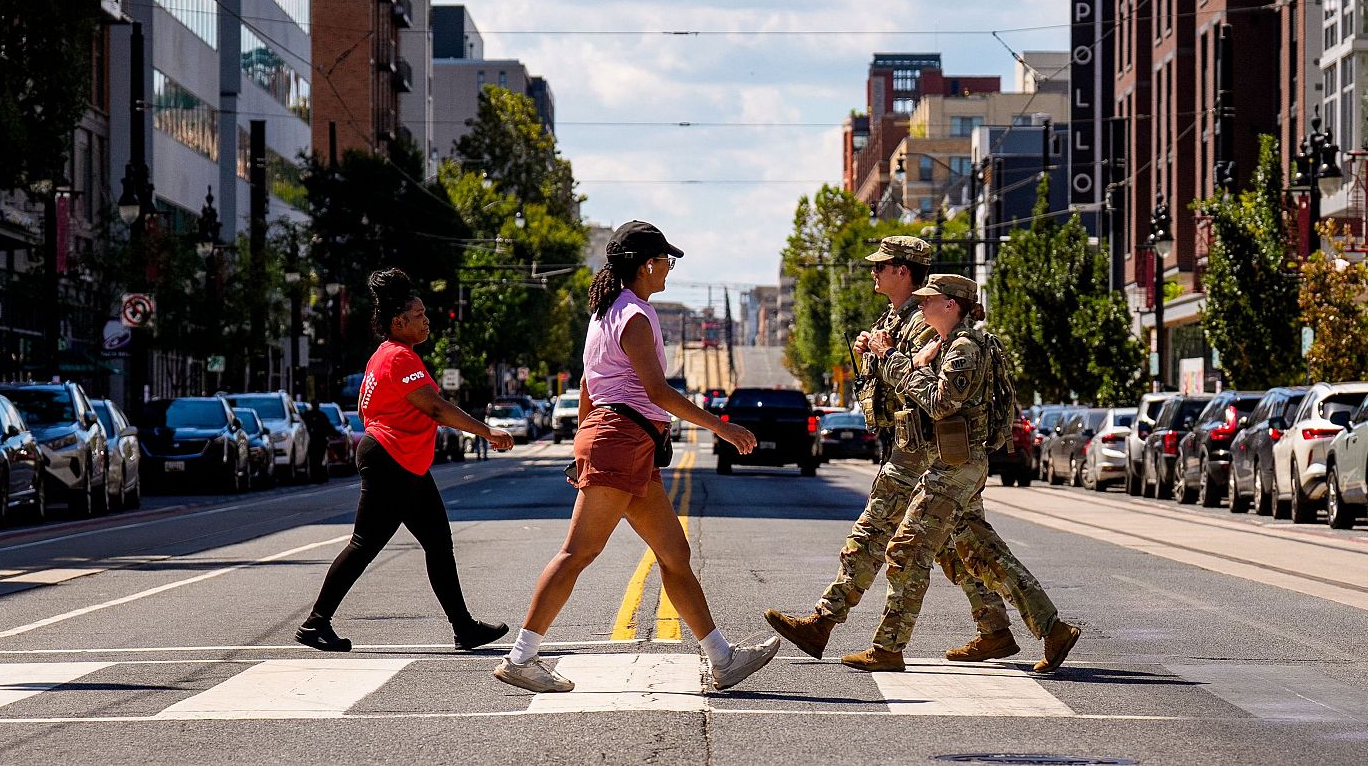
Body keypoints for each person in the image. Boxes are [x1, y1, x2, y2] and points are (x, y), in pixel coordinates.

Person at [494, 221, 780, 694]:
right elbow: (656, 390)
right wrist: (721, 427)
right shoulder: (635, 315)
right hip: (622, 441)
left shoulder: (606, 314)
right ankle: (521, 658)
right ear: (648, 263)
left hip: (624, 443)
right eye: (667, 259)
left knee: (674, 554)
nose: (669, 267)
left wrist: (584, 440)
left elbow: (589, 386)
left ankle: (723, 659)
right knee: (577, 552)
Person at [764, 237, 1018, 663]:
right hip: (914, 447)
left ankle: (824, 623)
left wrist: (886, 355)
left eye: (881, 267)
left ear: (904, 271)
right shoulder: (897, 319)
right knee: (955, 546)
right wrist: (871, 355)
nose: (874, 273)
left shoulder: (925, 322)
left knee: (875, 533)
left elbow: (929, 387)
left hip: (922, 452)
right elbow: (885, 385)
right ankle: (994, 627)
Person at [841, 274, 1080, 674]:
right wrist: (906, 362)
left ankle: (887, 649)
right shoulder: (950, 345)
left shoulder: (964, 348)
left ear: (951, 305)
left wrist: (892, 360)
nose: (920, 305)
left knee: (906, 550)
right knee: (982, 552)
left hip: (955, 466)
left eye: (928, 299)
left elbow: (940, 403)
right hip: (952, 462)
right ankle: (1052, 629)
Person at [296, 268, 516, 654]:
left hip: (402, 461)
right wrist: (487, 432)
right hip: (390, 459)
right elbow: (435, 407)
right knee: (365, 544)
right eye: (419, 314)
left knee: (438, 542)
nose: (427, 320)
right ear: (398, 322)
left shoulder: (387, 356)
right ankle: (315, 623)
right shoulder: (398, 358)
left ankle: (464, 627)